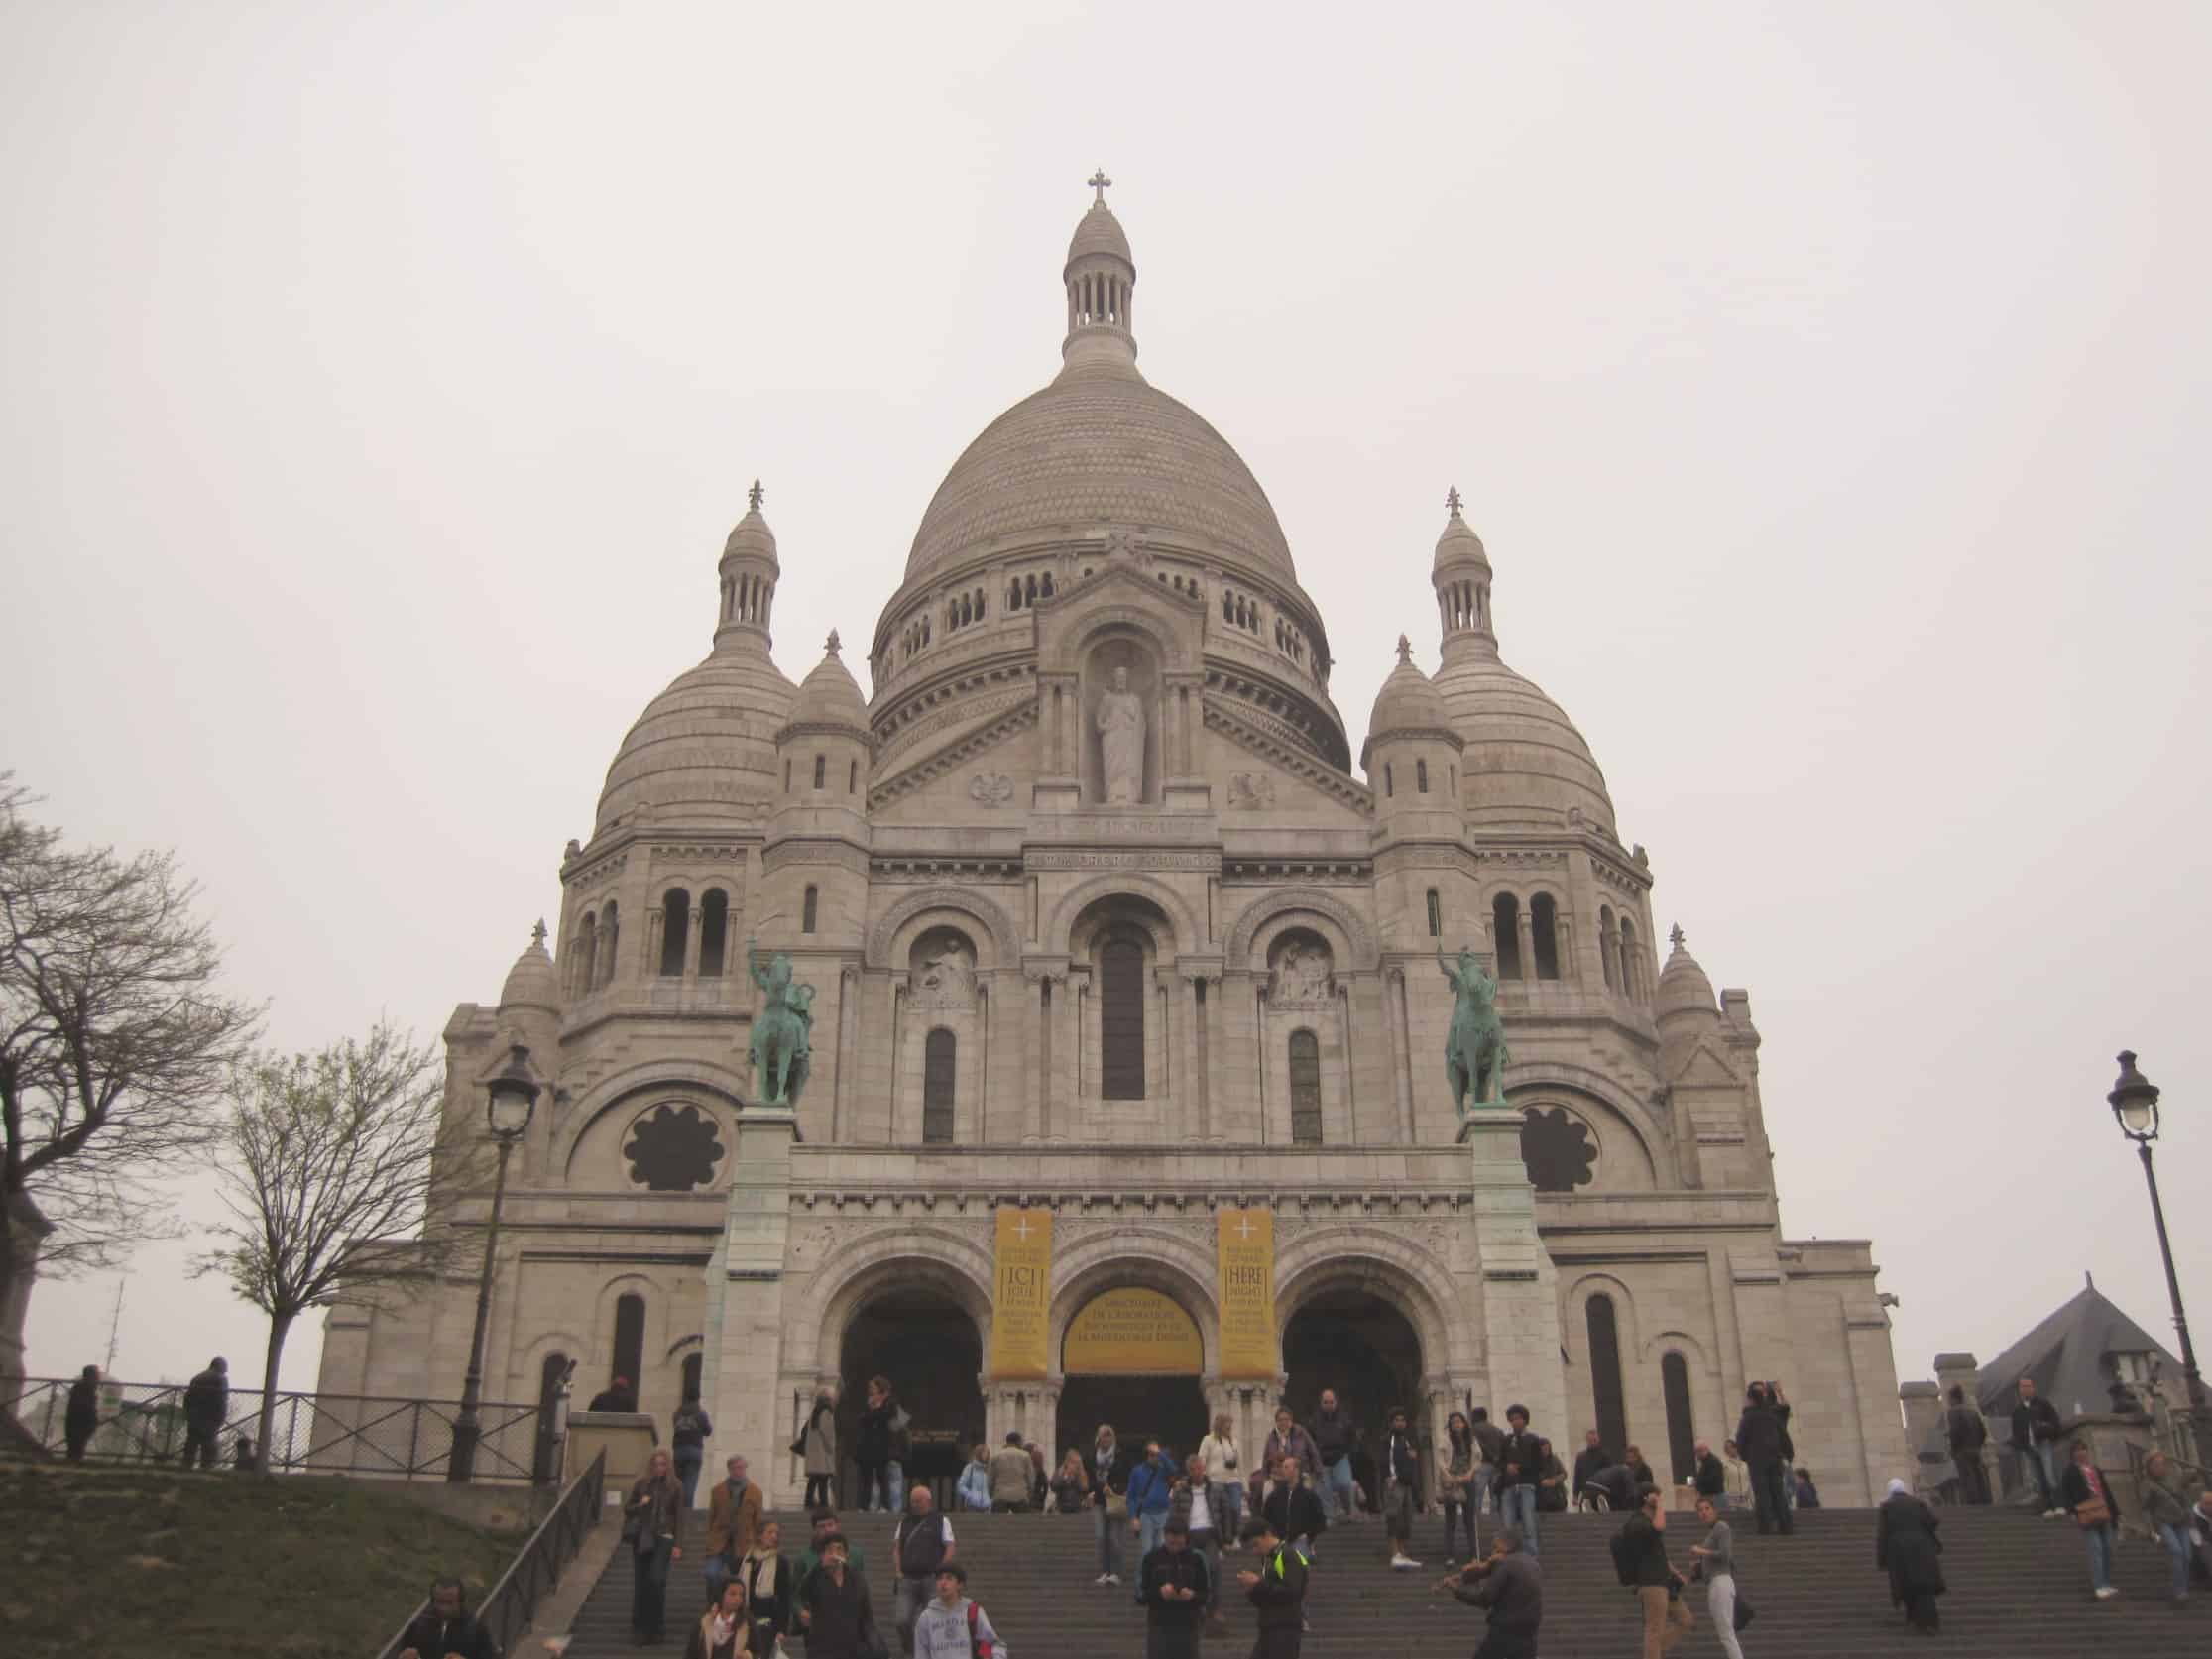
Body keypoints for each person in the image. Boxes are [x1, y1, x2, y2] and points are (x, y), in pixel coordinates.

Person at [1434, 1525, 1541, 1659]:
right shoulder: (1532, 1563)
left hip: (1506, 1630)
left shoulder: (1506, 1564)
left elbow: (1485, 1599)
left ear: (1506, 1546)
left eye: (1495, 1547)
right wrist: (1467, 1574)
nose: (1492, 1552)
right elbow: (1488, 1570)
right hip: (1529, 1631)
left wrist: (1455, 1589)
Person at [1619, 1485, 1693, 1658]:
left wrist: (1676, 1573)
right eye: (1657, 1496)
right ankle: (1653, 1651)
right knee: (1654, 1630)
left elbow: (1660, 1555)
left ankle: (1655, 1649)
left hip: (1664, 1582)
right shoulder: (1637, 1523)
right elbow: (1660, 1527)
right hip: (1651, 1583)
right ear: (1646, 1498)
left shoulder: (1647, 1523)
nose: (1660, 1499)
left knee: (1685, 1620)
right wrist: (1659, 1505)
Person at [626, 1446, 686, 1643]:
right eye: (656, 1464)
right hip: (643, 1537)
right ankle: (640, 1627)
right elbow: (627, 1509)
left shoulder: (676, 1486)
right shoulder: (642, 1484)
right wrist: (640, 1505)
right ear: (651, 1465)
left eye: (663, 1464)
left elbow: (679, 1516)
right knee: (642, 1582)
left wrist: (678, 1544)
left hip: (664, 1538)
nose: (659, 1467)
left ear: (668, 1465)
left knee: (657, 1580)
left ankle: (657, 1627)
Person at [1874, 1476, 1945, 1632]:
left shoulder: (1887, 1507)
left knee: (1907, 1584)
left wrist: (1881, 1558)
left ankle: (1914, 1619)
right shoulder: (1917, 1503)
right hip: (1922, 1547)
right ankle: (1930, 1623)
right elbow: (1933, 1521)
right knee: (1925, 1585)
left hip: (1899, 1551)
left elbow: (1882, 1534)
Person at [892, 1483, 957, 1652]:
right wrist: (898, 1570)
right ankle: (912, 1650)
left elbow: (950, 1546)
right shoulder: (904, 1522)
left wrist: (942, 1572)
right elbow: (897, 1548)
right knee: (902, 1621)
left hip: (931, 1579)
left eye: (919, 1501)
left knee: (934, 1621)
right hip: (907, 1579)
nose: (915, 1505)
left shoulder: (941, 1521)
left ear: (928, 1501)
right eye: (913, 1501)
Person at [1237, 1513, 1310, 1659]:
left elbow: (1291, 1592)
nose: (1255, 1551)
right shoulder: (1270, 1559)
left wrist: (1258, 1583)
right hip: (1269, 1627)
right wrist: (1252, 1590)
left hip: (1284, 1628)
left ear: (1267, 1534)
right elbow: (1268, 1596)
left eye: (1256, 1544)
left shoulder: (1288, 1555)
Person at [797, 1535, 880, 1659]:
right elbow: (802, 1592)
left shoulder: (856, 1578)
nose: (834, 1554)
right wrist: (819, 1566)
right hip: (822, 1649)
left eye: (839, 1549)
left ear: (846, 1554)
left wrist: (873, 1644)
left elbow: (866, 1615)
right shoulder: (816, 1578)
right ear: (822, 1555)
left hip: (852, 1649)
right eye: (829, 1550)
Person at [1141, 1516, 1212, 1659]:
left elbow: (1206, 1594)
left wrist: (1192, 1595)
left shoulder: (1196, 1559)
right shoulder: (1151, 1558)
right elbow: (1142, 1594)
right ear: (1165, 1536)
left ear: (1186, 1538)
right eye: (1171, 1543)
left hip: (1188, 1625)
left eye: (1179, 1543)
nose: (1175, 1547)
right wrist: (1159, 1593)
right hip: (1159, 1625)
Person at [2059, 1438, 2121, 1600]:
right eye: (2077, 1450)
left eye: (2083, 1449)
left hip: (2103, 1510)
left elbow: (2106, 1491)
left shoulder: (2096, 1469)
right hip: (2087, 1512)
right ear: (2073, 1454)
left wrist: (2115, 1513)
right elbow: (2066, 1492)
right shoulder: (2070, 1471)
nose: (2081, 1452)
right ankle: (2099, 1585)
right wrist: (2072, 1512)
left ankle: (2106, 1582)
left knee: (2108, 1548)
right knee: (2096, 1549)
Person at [1173, 1452, 1227, 1627]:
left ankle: (1215, 1608)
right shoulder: (1180, 1490)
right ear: (1188, 1471)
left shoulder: (1216, 1489)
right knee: (1191, 1572)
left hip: (1210, 1533)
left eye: (1199, 1468)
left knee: (1213, 1568)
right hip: (1189, 1535)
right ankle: (1196, 1608)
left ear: (1204, 1468)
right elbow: (1174, 1514)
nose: (1196, 1472)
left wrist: (1227, 1537)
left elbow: (1225, 1512)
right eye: (1192, 1469)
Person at [1688, 1495, 1746, 1659]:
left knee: (1726, 1633)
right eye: (1700, 1510)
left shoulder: (1722, 1527)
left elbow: (1725, 1555)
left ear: (1715, 1510)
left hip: (1721, 1582)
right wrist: (1699, 1566)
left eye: (1707, 1509)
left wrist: (1701, 1551)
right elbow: (1715, 1558)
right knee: (1725, 1633)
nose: (1704, 1513)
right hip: (1714, 1583)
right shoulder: (1712, 1532)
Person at [912, 1562, 1006, 1659]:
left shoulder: (973, 1612)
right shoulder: (926, 1617)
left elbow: (996, 1643)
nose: (943, 1582)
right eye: (940, 1578)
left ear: (959, 1584)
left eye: (949, 1578)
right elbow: (920, 1653)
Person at [1732, 1384, 1792, 1537]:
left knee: (1762, 1493)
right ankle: (1786, 1526)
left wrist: (1745, 1456)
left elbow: (1741, 1439)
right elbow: (1783, 1435)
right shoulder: (1772, 1415)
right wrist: (1786, 1454)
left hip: (1757, 1459)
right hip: (1775, 1458)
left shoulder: (1748, 1417)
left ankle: (1766, 1527)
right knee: (1778, 1492)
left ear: (1751, 1400)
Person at [705, 1455, 764, 1603]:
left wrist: (758, 1544)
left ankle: (738, 1608)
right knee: (711, 1573)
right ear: (729, 1469)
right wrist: (711, 1538)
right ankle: (714, 1604)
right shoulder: (717, 1491)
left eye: (742, 1467)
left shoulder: (755, 1492)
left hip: (743, 1544)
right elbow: (712, 1517)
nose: (739, 1471)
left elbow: (758, 1521)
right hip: (720, 1542)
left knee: (741, 1581)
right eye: (735, 1468)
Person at [396, 1576, 502, 1659]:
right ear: (432, 1601)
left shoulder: (476, 1630)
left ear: (461, 1602)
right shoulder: (417, 1627)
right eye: (439, 1602)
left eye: (449, 1603)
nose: (443, 1608)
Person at [2141, 1450, 2197, 1605]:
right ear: (2149, 1466)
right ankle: (2179, 1591)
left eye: (2162, 1463)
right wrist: (2150, 1529)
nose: (2160, 1467)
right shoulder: (2146, 1484)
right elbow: (2145, 1509)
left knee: (2187, 1555)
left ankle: (2183, 1587)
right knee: (2177, 1551)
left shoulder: (2173, 1478)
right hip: (2163, 1522)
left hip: (2181, 1521)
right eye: (2156, 1464)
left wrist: (2190, 1515)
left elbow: (2184, 1498)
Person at [737, 1517, 794, 1657]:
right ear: (759, 1535)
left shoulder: (781, 1562)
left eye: (777, 1533)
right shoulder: (746, 1559)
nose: (774, 1536)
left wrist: (782, 1628)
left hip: (768, 1622)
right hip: (744, 1619)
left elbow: (785, 1597)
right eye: (770, 1532)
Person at [1129, 1439, 1178, 1598]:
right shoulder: (1137, 1471)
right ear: (1146, 1455)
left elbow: (1174, 1469)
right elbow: (1131, 1497)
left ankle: (1159, 1586)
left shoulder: (1163, 1469)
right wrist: (1133, 1517)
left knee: (1161, 1550)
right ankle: (1141, 1588)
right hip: (1145, 1514)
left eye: (1156, 1454)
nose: (1154, 1457)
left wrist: (1161, 1454)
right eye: (1151, 1454)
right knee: (1146, 1551)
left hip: (1163, 1513)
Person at [2010, 1376, 2064, 1517]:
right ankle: (2048, 1507)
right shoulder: (2017, 1411)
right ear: (2019, 1390)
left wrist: (2046, 1431)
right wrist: (2020, 1445)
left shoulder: (2043, 1404)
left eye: (2028, 1386)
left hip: (2044, 1443)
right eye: (2023, 1387)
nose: (2025, 1389)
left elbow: (2056, 1423)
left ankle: (2059, 1505)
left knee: (2050, 1474)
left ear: (2033, 1388)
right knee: (2039, 1479)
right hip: (2029, 1448)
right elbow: (2016, 1432)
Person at [1379, 1406, 1424, 1570]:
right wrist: (1387, 1477)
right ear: (1391, 1422)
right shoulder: (1387, 1440)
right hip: (1394, 1483)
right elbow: (1384, 1460)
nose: (1400, 1423)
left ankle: (1403, 1553)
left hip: (1407, 1484)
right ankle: (1395, 1553)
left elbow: (1413, 1461)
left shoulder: (1408, 1440)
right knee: (1393, 1516)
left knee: (1406, 1519)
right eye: (1397, 1420)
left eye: (1402, 1420)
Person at [1495, 1404, 1543, 1556]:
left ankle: (1531, 1555)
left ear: (1525, 1420)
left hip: (1526, 1485)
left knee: (1528, 1522)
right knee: (1507, 1524)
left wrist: (1519, 1467)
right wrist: (1506, 1467)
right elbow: (1499, 1461)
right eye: (1512, 1419)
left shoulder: (1533, 1440)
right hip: (1509, 1486)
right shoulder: (1507, 1440)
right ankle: (1509, 1555)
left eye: (1518, 1418)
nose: (1515, 1422)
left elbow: (1538, 1463)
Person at [1262, 1453, 1327, 1561]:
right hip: (1280, 1541)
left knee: (1296, 1566)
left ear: (1296, 1470)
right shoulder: (1275, 1496)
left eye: (1286, 1467)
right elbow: (1266, 1517)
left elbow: (1320, 1519)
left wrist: (1309, 1535)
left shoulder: (1309, 1496)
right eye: (1282, 1467)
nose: (1282, 1470)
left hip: (1300, 1540)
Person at [1198, 1412, 1245, 1546]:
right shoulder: (1208, 1440)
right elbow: (1201, 1460)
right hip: (1215, 1481)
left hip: (1233, 1481)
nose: (1229, 1426)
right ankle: (1221, 1541)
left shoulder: (1234, 1441)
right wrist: (1203, 1478)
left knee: (1235, 1508)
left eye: (1230, 1423)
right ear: (1219, 1424)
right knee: (1218, 1512)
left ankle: (1235, 1536)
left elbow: (1241, 1464)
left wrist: (1245, 1486)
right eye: (1226, 1423)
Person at [795, 1508, 869, 1593]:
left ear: (837, 1525)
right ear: (814, 1530)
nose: (827, 1530)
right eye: (822, 1526)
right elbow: (796, 1592)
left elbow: (861, 1587)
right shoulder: (803, 1557)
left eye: (830, 1525)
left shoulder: (855, 1554)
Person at [1312, 1389, 1359, 1523]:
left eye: (1331, 1402)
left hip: (1340, 1458)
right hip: (1322, 1460)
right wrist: (1313, 1458)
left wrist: (1349, 1452)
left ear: (1336, 1403)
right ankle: (1328, 1518)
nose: (1328, 1405)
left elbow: (1353, 1438)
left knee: (1344, 1484)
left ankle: (1348, 1511)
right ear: (1321, 1403)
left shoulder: (1345, 1419)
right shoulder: (1314, 1421)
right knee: (1323, 1489)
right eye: (1325, 1402)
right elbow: (1310, 1441)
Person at [1439, 1410, 1477, 1562]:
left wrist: (1471, 1473)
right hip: (1451, 1481)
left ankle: (1474, 1554)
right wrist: (1448, 1475)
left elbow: (1477, 1458)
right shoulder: (1445, 1439)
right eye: (1453, 1422)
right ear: (1450, 1425)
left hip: (1468, 1481)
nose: (1457, 1425)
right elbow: (1440, 1460)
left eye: (1459, 1422)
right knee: (1450, 1520)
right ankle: (1449, 1555)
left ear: (1465, 1424)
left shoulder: (1471, 1440)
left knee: (1470, 1519)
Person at [1091, 1423, 1125, 1586]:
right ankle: (1105, 1571)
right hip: (1099, 1501)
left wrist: (1115, 1489)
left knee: (1114, 1538)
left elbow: (1127, 1477)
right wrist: (1094, 1490)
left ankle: (1116, 1572)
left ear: (1113, 1438)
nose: (1105, 1438)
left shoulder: (1120, 1456)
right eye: (1103, 1435)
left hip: (1115, 1500)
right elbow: (1089, 1479)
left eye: (1108, 1434)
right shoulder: (1092, 1457)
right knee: (1100, 1537)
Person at [1261, 1406, 1321, 1500]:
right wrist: (1265, 1477)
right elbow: (1266, 1458)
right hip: (1278, 1477)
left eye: (1286, 1419)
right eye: (1280, 1420)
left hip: (1301, 1474)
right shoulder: (1272, 1436)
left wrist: (1317, 1471)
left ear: (1291, 1420)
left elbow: (1313, 1451)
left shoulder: (1301, 1433)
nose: (1283, 1422)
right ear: (1276, 1422)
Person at [1944, 1384, 1990, 1505]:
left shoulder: (1953, 1412)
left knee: (1967, 1477)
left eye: (1949, 1399)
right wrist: (1977, 1445)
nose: (1948, 1402)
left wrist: (1954, 1449)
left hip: (1962, 1450)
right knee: (1978, 1475)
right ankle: (1985, 1501)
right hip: (1975, 1449)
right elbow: (1983, 1432)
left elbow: (1955, 1431)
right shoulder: (1973, 1412)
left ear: (1954, 1399)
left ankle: (1973, 1503)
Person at [856, 1376, 895, 1514]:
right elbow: (861, 1419)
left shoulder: (890, 1404)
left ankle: (885, 1505)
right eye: (870, 1388)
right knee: (866, 1478)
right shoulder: (868, 1403)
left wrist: (875, 1411)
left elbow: (886, 1418)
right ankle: (863, 1506)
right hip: (867, 1446)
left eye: (873, 1388)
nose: (871, 1390)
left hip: (882, 1446)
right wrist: (872, 1411)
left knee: (882, 1477)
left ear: (880, 1389)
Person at [181, 1356, 228, 1471]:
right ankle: (205, 1471)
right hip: (210, 1418)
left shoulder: (197, 1378)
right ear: (219, 1366)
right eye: (225, 1367)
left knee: (191, 1445)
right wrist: (221, 1418)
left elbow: (187, 1399)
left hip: (194, 1417)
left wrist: (188, 1414)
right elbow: (221, 1400)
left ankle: (185, 1468)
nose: (226, 1370)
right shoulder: (220, 1379)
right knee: (209, 1448)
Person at [683, 1577, 749, 1659]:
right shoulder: (703, 1622)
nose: (737, 1598)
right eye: (732, 1593)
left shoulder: (747, 1623)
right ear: (721, 1595)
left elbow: (757, 1652)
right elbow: (691, 1653)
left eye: (741, 1595)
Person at [671, 1389, 714, 1508]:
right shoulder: (701, 1413)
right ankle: (686, 1512)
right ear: (698, 1398)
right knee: (690, 1483)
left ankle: (677, 1509)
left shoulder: (676, 1414)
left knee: (678, 1483)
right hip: (694, 1451)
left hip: (678, 1450)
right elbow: (708, 1431)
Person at [801, 1387, 838, 1509]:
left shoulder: (815, 1412)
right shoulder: (826, 1412)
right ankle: (824, 1504)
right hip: (822, 1452)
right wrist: (831, 1447)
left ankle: (809, 1502)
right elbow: (827, 1433)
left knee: (814, 1478)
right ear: (828, 1399)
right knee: (823, 1478)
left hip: (815, 1452)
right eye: (833, 1397)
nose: (835, 1400)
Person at [1469, 1407, 1505, 1517]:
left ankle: (1476, 1516)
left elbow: (1479, 1445)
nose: (1471, 1418)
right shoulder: (1498, 1430)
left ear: (1477, 1416)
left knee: (1478, 1492)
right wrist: (1497, 1459)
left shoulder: (1475, 1428)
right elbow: (1504, 1448)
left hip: (1483, 1463)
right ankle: (1494, 1516)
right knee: (1495, 1493)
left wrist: (1491, 1456)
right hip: (1497, 1466)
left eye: (1472, 1416)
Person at [990, 1430, 1035, 1512]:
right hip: (1020, 1495)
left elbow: (991, 1478)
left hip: (1000, 1495)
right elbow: (1031, 1478)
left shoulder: (996, 1456)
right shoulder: (1025, 1455)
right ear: (1018, 1441)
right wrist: (1029, 1494)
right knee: (1024, 1520)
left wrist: (991, 1494)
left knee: (998, 1520)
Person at [64, 1364, 99, 1463]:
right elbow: (84, 1407)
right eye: (96, 1376)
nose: (98, 1379)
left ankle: (72, 1463)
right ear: (90, 1376)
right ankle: (72, 1464)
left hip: (80, 1424)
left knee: (77, 1448)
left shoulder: (83, 1388)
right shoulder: (82, 1388)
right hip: (78, 1424)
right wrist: (92, 1420)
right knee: (76, 1448)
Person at [1572, 1429, 1613, 1510]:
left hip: (1601, 1493)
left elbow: (1610, 1475)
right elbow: (1577, 1476)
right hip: (1585, 1493)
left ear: (1598, 1440)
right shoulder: (1581, 1457)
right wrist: (1575, 1495)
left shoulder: (1605, 1456)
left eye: (1594, 1440)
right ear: (1587, 1441)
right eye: (1590, 1440)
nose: (1592, 1442)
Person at [1049, 1447, 1090, 1515]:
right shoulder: (1059, 1471)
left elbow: (1084, 1489)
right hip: (1061, 1508)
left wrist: (1077, 1477)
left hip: (1077, 1510)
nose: (1074, 1465)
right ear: (1067, 1462)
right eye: (1073, 1462)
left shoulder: (1082, 1473)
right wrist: (1065, 1476)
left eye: (1077, 1462)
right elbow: (1053, 1487)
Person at [1533, 1439, 1569, 1513]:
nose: (1545, 1451)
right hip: (1540, 1497)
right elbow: (1530, 1476)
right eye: (1543, 1449)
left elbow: (1564, 1473)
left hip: (1556, 1496)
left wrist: (1555, 1480)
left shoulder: (1554, 1459)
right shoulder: (1533, 1461)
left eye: (1547, 1449)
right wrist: (1541, 1482)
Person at [957, 1443, 991, 1512]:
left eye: (987, 1453)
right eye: (984, 1452)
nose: (986, 1455)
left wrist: (991, 1500)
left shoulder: (989, 1469)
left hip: (987, 1506)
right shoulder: (970, 1467)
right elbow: (960, 1486)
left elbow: (992, 1486)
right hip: (972, 1505)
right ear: (978, 1453)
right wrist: (970, 1496)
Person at [1691, 1441, 1726, 1508]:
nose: (1696, 1455)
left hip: (1714, 1497)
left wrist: (1697, 1482)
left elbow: (1712, 1480)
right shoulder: (1706, 1462)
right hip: (1711, 1496)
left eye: (1697, 1452)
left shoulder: (1713, 1462)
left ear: (1701, 1451)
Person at [1720, 1440, 1750, 1509]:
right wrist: (1727, 1496)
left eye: (1730, 1447)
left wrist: (1748, 1493)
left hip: (1745, 1499)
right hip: (1732, 1500)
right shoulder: (1724, 1464)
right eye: (1726, 1448)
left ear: (1736, 1447)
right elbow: (1723, 1482)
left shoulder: (1745, 1464)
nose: (1728, 1450)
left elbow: (1748, 1480)